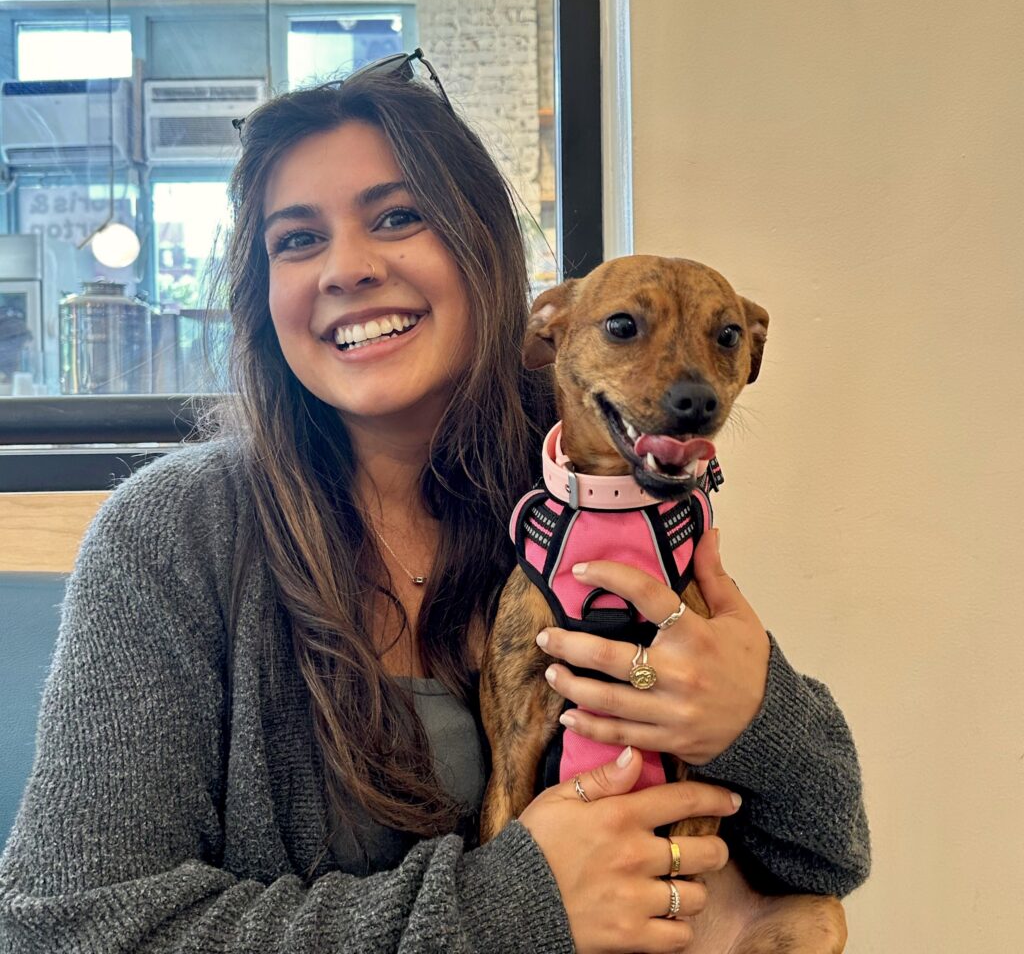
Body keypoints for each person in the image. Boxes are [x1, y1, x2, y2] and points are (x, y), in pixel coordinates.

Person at [0, 51, 870, 953]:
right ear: (265, 297)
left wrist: (751, 714)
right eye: (297, 239)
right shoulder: (175, 534)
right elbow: (67, 932)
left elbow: (827, 854)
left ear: (481, 247)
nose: (348, 267)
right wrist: (508, 908)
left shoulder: (596, 485)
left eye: (398, 216)